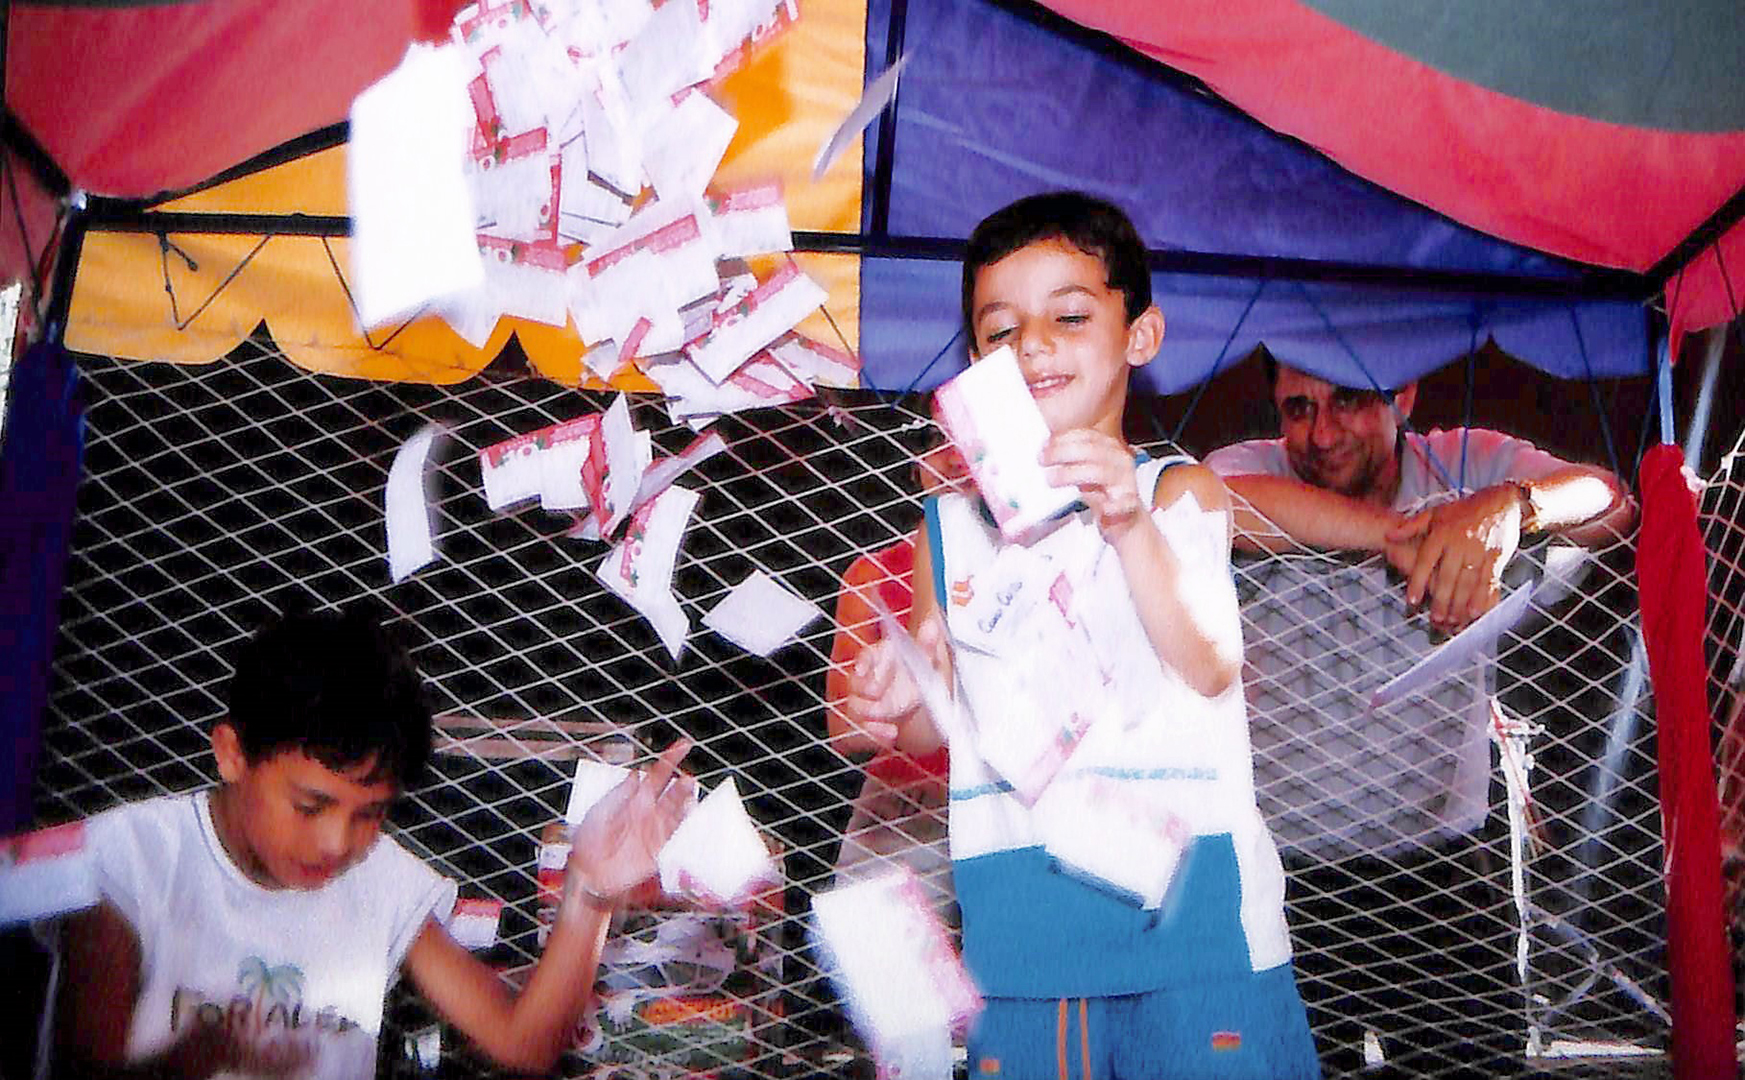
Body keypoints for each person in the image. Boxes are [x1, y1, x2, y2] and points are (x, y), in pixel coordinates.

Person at [844, 192, 1318, 1080]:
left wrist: (1126, 523)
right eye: (999, 330)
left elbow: (1210, 663)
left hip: (1194, 929)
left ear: (1139, 334)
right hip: (1022, 933)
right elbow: (935, 729)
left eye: (1067, 316)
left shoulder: (1176, 492)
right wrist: (904, 697)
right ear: (974, 360)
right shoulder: (946, 526)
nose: (1031, 345)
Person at [1203, 356, 1635, 1077]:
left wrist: (1508, 508)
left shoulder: (1463, 461)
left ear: (1401, 394)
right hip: (1283, 876)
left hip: (1442, 871)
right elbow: (1206, 505)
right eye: (1298, 409)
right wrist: (1406, 535)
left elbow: (1609, 499)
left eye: (1347, 400)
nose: (1321, 434)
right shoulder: (1252, 469)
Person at [54, 605, 695, 1080]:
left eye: (371, 814)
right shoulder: (131, 859)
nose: (337, 842)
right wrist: (192, 1060)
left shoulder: (381, 879)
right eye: (310, 806)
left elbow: (522, 1041)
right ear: (232, 755)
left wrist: (589, 893)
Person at [825, 442, 966, 926]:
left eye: (964, 435)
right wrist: (879, 704)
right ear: (916, 463)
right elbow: (841, 727)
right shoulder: (873, 574)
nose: (954, 457)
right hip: (911, 796)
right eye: (938, 442)